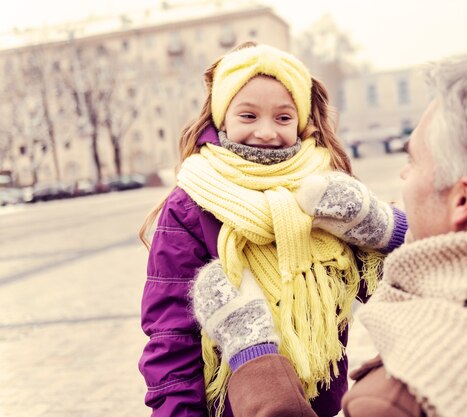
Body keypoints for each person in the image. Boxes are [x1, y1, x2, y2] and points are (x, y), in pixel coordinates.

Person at [194, 51, 467, 417]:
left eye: (414, 159)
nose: (403, 174)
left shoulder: (398, 398)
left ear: (463, 200)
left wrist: (254, 359)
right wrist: (393, 231)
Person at [137, 41, 407, 417]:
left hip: (321, 403)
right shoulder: (190, 205)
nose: (266, 132)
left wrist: (388, 228)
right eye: (248, 116)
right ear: (221, 117)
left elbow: (393, 287)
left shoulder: (326, 191)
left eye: (283, 118)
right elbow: (171, 334)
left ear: (301, 121)